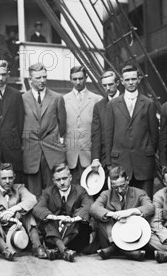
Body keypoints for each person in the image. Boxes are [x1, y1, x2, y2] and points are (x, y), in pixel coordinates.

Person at [104, 65, 159, 196]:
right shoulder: (112, 104)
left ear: (139, 79)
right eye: (127, 80)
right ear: (122, 81)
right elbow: (108, 134)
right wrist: (109, 161)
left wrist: (147, 151)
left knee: (145, 202)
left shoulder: (148, 103)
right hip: (120, 162)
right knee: (122, 203)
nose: (130, 82)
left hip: (144, 163)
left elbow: (154, 134)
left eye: (133, 79)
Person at [0, 163, 41, 260]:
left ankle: (38, 247)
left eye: (10, 178)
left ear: (14, 177)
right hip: (0, 230)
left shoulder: (19, 188)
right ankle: (6, 250)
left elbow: (32, 199)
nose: (7, 181)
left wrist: (13, 209)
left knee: (28, 215)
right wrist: (2, 215)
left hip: (18, 230)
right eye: (4, 178)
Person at [90, 166, 155, 261]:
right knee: (102, 218)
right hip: (110, 236)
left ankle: (114, 249)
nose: (119, 190)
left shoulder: (139, 193)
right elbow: (93, 208)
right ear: (110, 184)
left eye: (122, 186)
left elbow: (150, 207)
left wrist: (129, 212)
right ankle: (123, 250)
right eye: (115, 187)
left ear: (127, 180)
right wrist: (112, 214)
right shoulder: (106, 194)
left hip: (132, 236)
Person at [22, 63, 67, 196]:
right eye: (38, 78)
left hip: (52, 152)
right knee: (33, 191)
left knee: (53, 191)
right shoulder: (22, 99)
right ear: (30, 80)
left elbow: (62, 125)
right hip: (31, 152)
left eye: (44, 77)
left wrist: (59, 144)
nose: (42, 81)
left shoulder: (57, 98)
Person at [33, 163, 93, 261]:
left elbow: (89, 205)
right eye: (58, 180)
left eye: (64, 178)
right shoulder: (48, 192)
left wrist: (73, 219)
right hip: (53, 234)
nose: (62, 183)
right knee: (47, 221)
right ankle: (64, 251)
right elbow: (37, 208)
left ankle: (58, 250)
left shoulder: (80, 191)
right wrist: (57, 218)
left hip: (74, 237)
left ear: (70, 177)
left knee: (76, 221)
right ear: (53, 181)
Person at [63, 66, 102, 184]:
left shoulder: (97, 99)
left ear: (86, 78)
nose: (78, 82)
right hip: (70, 154)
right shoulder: (63, 100)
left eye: (81, 78)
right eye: (74, 79)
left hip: (89, 154)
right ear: (70, 79)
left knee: (90, 190)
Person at [91, 70, 120, 172]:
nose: (108, 88)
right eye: (105, 85)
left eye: (111, 84)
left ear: (117, 83)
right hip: (106, 159)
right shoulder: (99, 106)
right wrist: (95, 159)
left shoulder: (127, 101)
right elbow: (96, 135)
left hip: (127, 157)